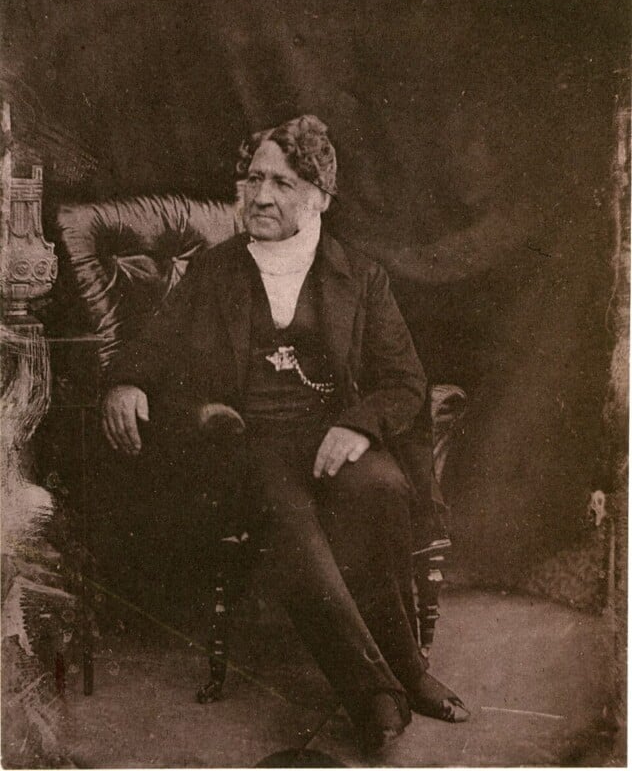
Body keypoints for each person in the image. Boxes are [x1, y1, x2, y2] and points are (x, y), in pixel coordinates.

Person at [101, 114, 468, 753]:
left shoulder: (361, 276)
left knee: (379, 487)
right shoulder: (216, 271)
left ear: (321, 196)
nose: (261, 196)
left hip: (329, 435)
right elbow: (151, 347)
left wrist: (357, 426)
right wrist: (125, 382)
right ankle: (379, 690)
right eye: (252, 180)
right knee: (282, 503)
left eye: (284, 183)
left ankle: (406, 667)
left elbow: (406, 381)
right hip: (242, 442)